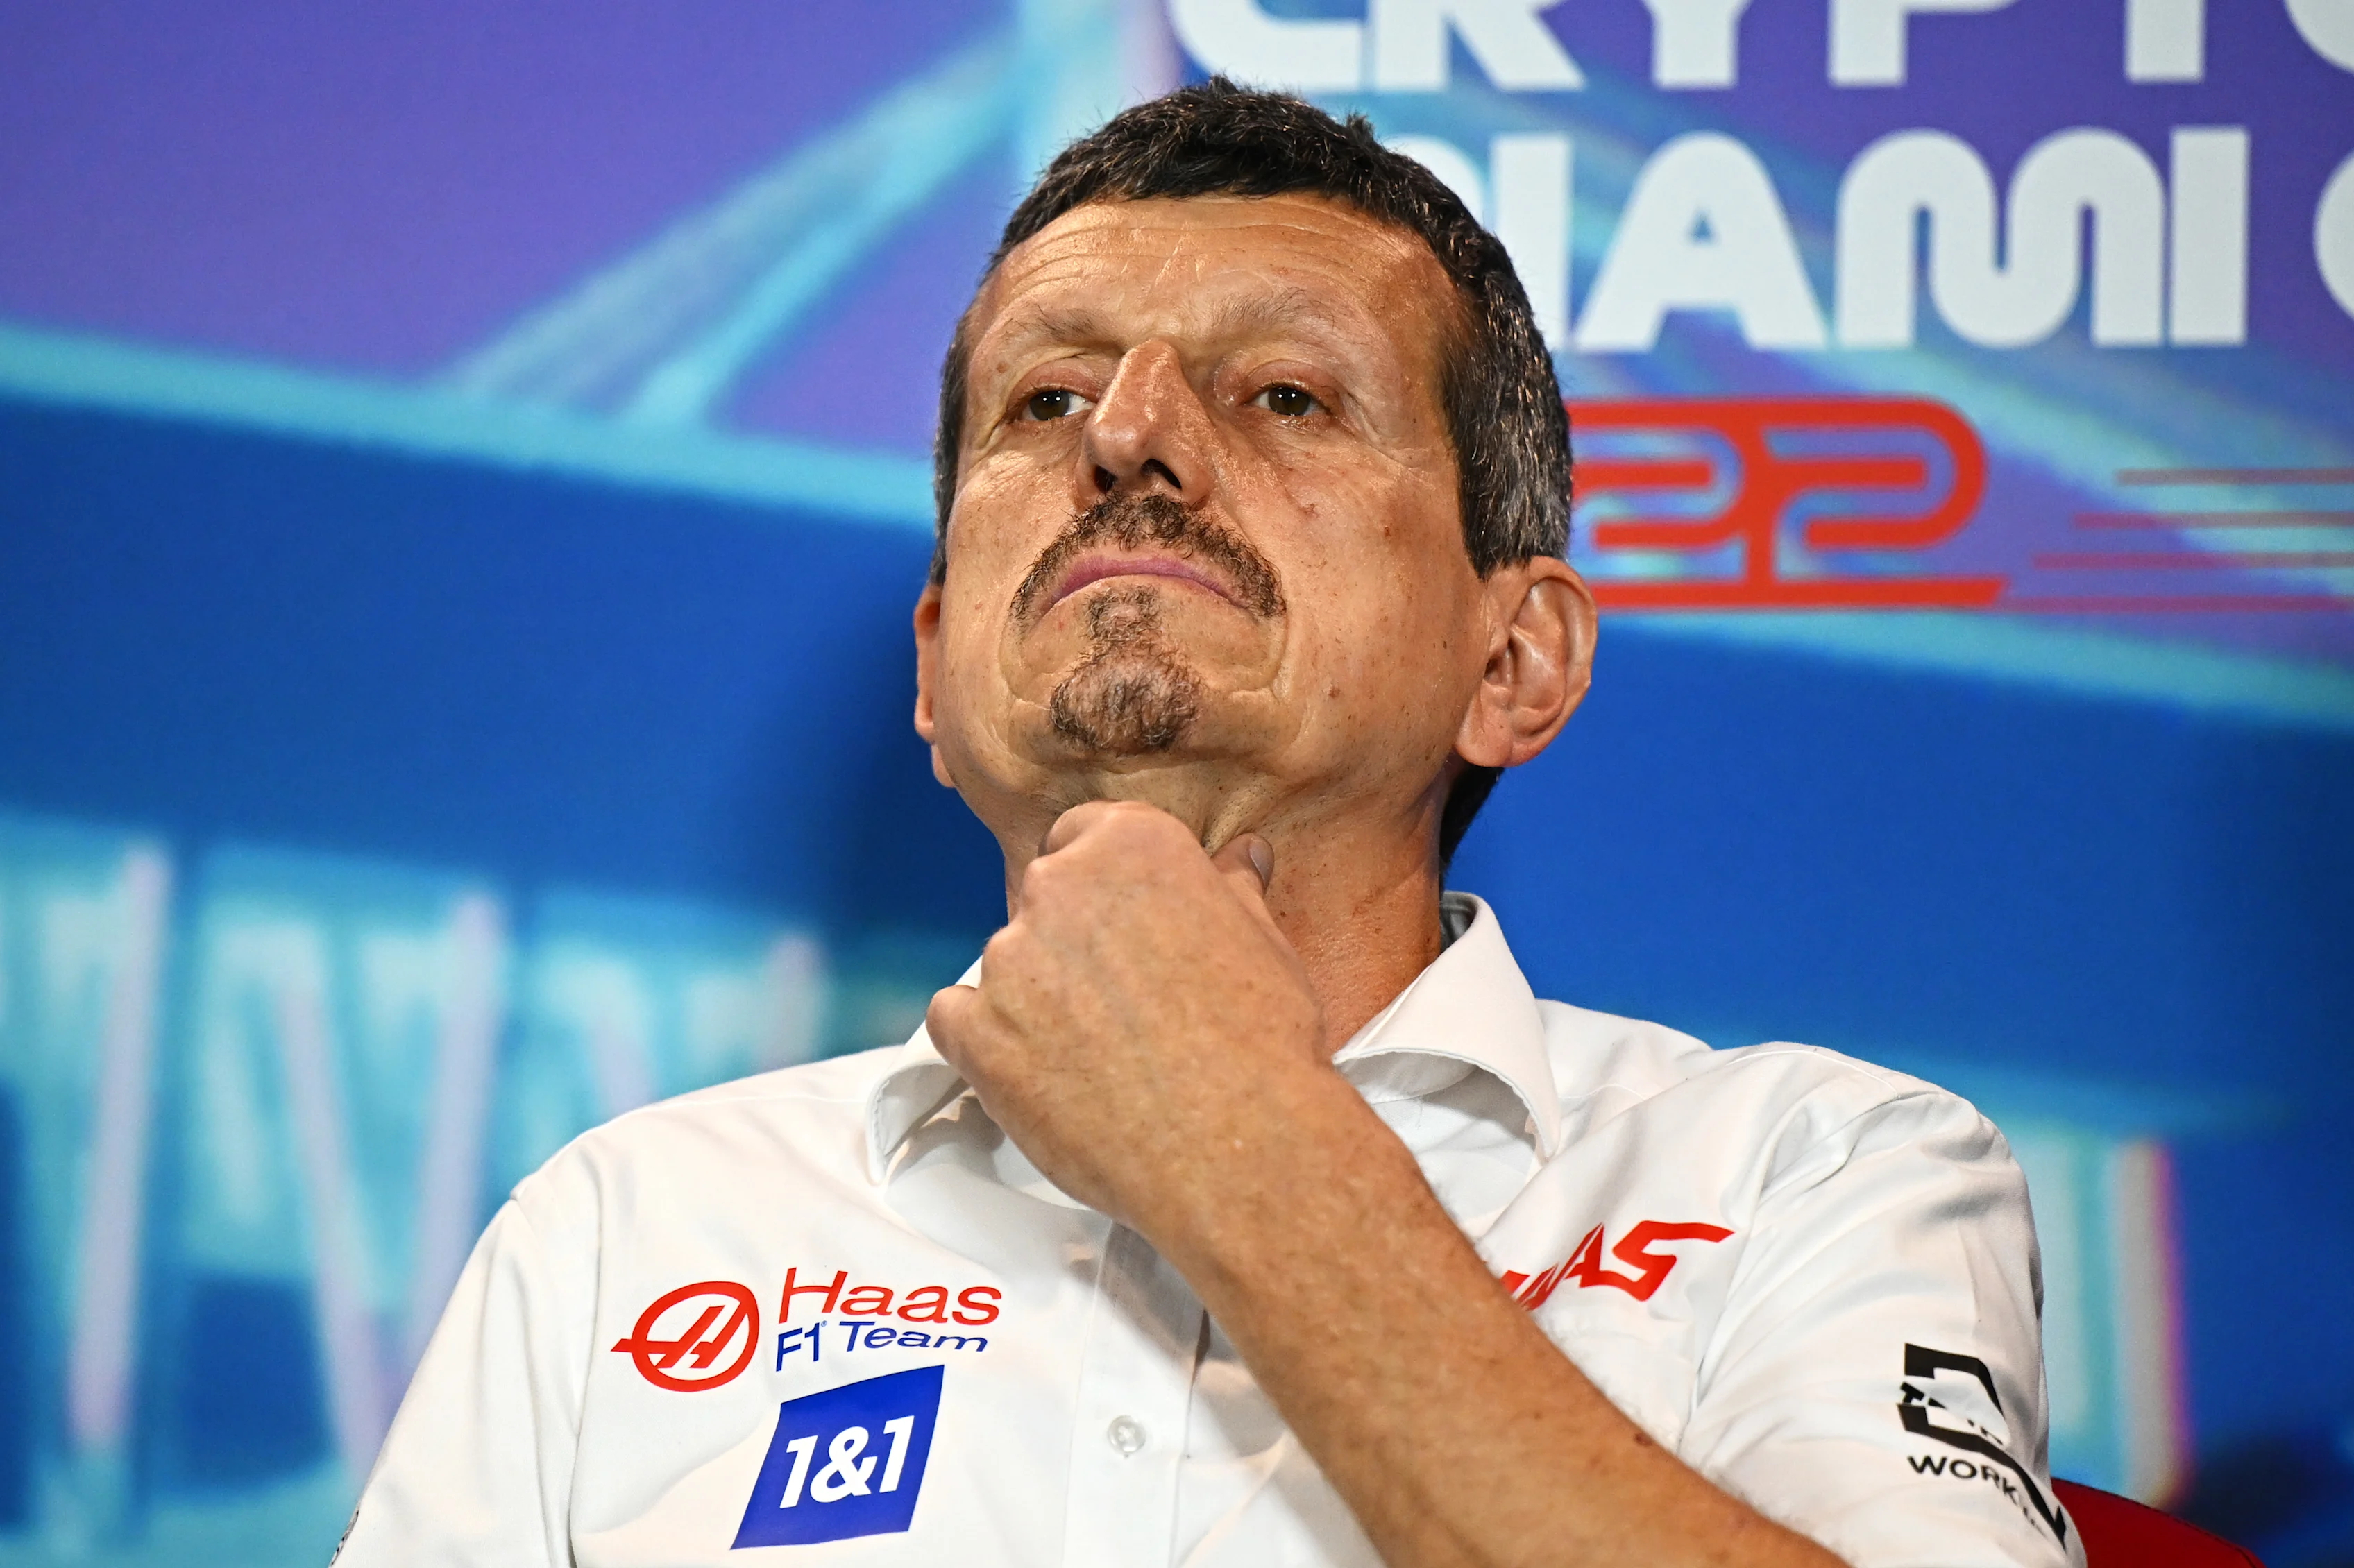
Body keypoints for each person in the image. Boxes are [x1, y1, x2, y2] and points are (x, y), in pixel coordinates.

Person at [336, 82, 2080, 1568]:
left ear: (1515, 658)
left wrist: (1243, 1144)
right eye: (1044, 400)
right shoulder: (629, 1229)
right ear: (937, 673)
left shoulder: (1810, 1173)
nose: (1130, 436)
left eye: (1285, 396)